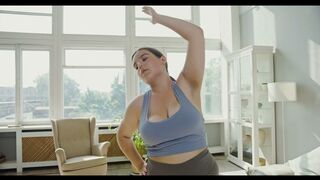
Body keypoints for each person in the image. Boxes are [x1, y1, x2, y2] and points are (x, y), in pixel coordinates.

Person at [116, 6, 219, 175]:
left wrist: (158, 18)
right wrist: (139, 164)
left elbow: (196, 34)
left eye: (144, 58)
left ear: (163, 59)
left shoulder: (188, 85)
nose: (139, 65)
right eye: (136, 66)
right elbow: (123, 136)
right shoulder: (138, 105)